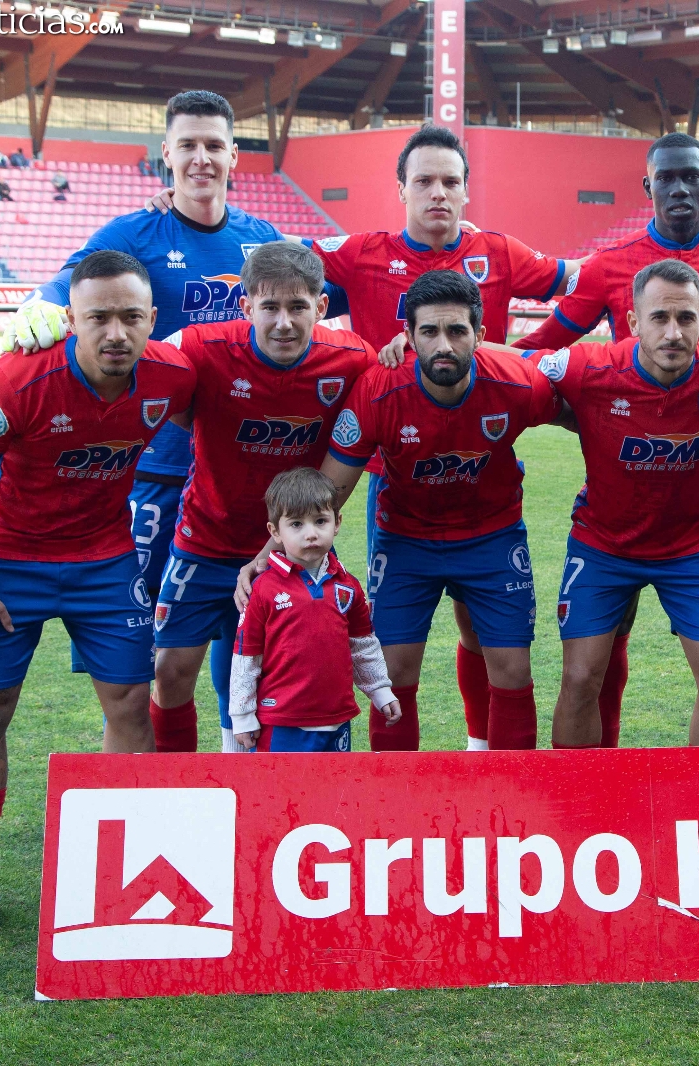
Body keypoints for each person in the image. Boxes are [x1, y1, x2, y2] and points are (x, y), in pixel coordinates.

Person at [4, 90, 319, 752]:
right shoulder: (133, 233)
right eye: (188, 145)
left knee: (249, 633)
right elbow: (67, 285)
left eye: (214, 145)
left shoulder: (262, 239)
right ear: (166, 155)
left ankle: (238, 765)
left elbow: (317, 296)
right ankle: (159, 782)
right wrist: (38, 305)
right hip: (155, 470)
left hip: (243, 476)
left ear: (234, 156)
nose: (202, 158)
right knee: (146, 654)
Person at [513, 131, 699, 745]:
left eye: (691, 177)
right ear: (648, 186)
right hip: (627, 445)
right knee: (606, 636)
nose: (679, 189)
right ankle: (604, 759)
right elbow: (541, 348)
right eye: (667, 178)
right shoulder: (607, 267)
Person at [0, 250, 197, 942]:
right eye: (98, 317)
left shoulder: (173, 375)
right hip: (8, 563)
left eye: (131, 317)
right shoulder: (12, 381)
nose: (116, 332)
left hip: (104, 561)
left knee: (131, 705)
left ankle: (127, 867)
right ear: (71, 320)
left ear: (152, 319)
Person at [297, 124, 574, 750]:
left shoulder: (500, 265)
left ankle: (485, 757)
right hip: (398, 497)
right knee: (392, 669)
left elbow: (584, 285)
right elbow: (278, 263)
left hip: (488, 515)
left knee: (491, 646)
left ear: (468, 190)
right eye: (423, 181)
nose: (438, 193)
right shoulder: (363, 260)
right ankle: (400, 795)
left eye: (450, 181)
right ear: (401, 189)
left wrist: (531, 352)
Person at [238, 269, 559, 751]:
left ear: (480, 335)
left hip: (492, 537)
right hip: (407, 541)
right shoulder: (379, 389)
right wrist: (269, 552)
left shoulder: (517, 382)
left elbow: (584, 413)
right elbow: (330, 489)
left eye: (457, 331)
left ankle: (506, 790)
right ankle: (397, 792)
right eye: (429, 331)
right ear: (408, 336)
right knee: (391, 675)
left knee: (513, 672)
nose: (444, 345)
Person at [147, 241, 378, 754]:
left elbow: (391, 382)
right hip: (206, 538)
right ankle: (177, 787)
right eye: (269, 307)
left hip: (295, 550)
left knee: (279, 673)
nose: (284, 322)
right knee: (170, 672)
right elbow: (156, 381)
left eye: (298, 306)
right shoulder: (200, 346)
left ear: (321, 306)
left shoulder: (354, 359)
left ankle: (241, 770)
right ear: (245, 306)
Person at [529, 260, 699, 749]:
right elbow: (512, 364)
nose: (673, 333)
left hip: (691, 548)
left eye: (686, 318)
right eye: (659, 318)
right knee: (579, 677)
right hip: (603, 546)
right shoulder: (587, 366)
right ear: (634, 322)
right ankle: (578, 794)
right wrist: (427, 349)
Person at [230, 468, 398, 753]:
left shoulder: (348, 586)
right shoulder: (263, 589)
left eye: (320, 521)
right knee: (282, 784)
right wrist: (242, 715)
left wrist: (380, 690)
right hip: (281, 723)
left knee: (337, 783)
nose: (310, 534)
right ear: (275, 531)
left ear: (337, 523)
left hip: (337, 719)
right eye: (296, 524)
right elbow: (246, 657)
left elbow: (363, 646)